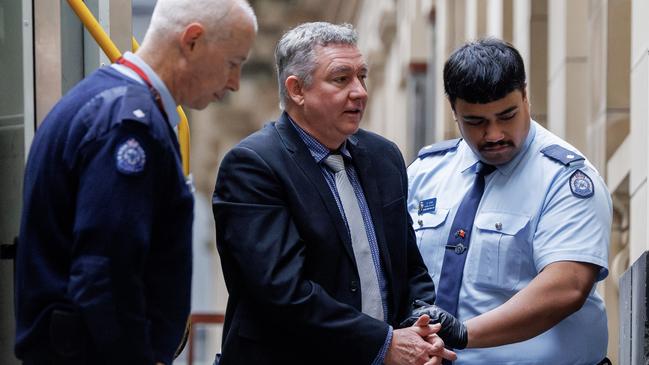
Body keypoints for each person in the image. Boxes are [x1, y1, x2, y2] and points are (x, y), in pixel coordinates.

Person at [14, 1, 256, 364]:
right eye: (232, 64)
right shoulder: (130, 125)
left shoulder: (104, 101)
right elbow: (104, 273)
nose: (234, 83)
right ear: (192, 40)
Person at [212, 22, 465, 365]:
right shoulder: (252, 166)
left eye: (362, 76)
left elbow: (409, 268)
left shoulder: (384, 157)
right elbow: (282, 293)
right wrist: (386, 343)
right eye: (341, 79)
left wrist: (421, 330)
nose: (360, 91)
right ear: (297, 89)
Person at [407, 38, 612, 364]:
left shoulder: (563, 178)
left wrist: (463, 333)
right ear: (453, 109)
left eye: (507, 115)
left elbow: (567, 286)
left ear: (526, 97)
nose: (494, 134)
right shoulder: (423, 174)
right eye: (476, 121)